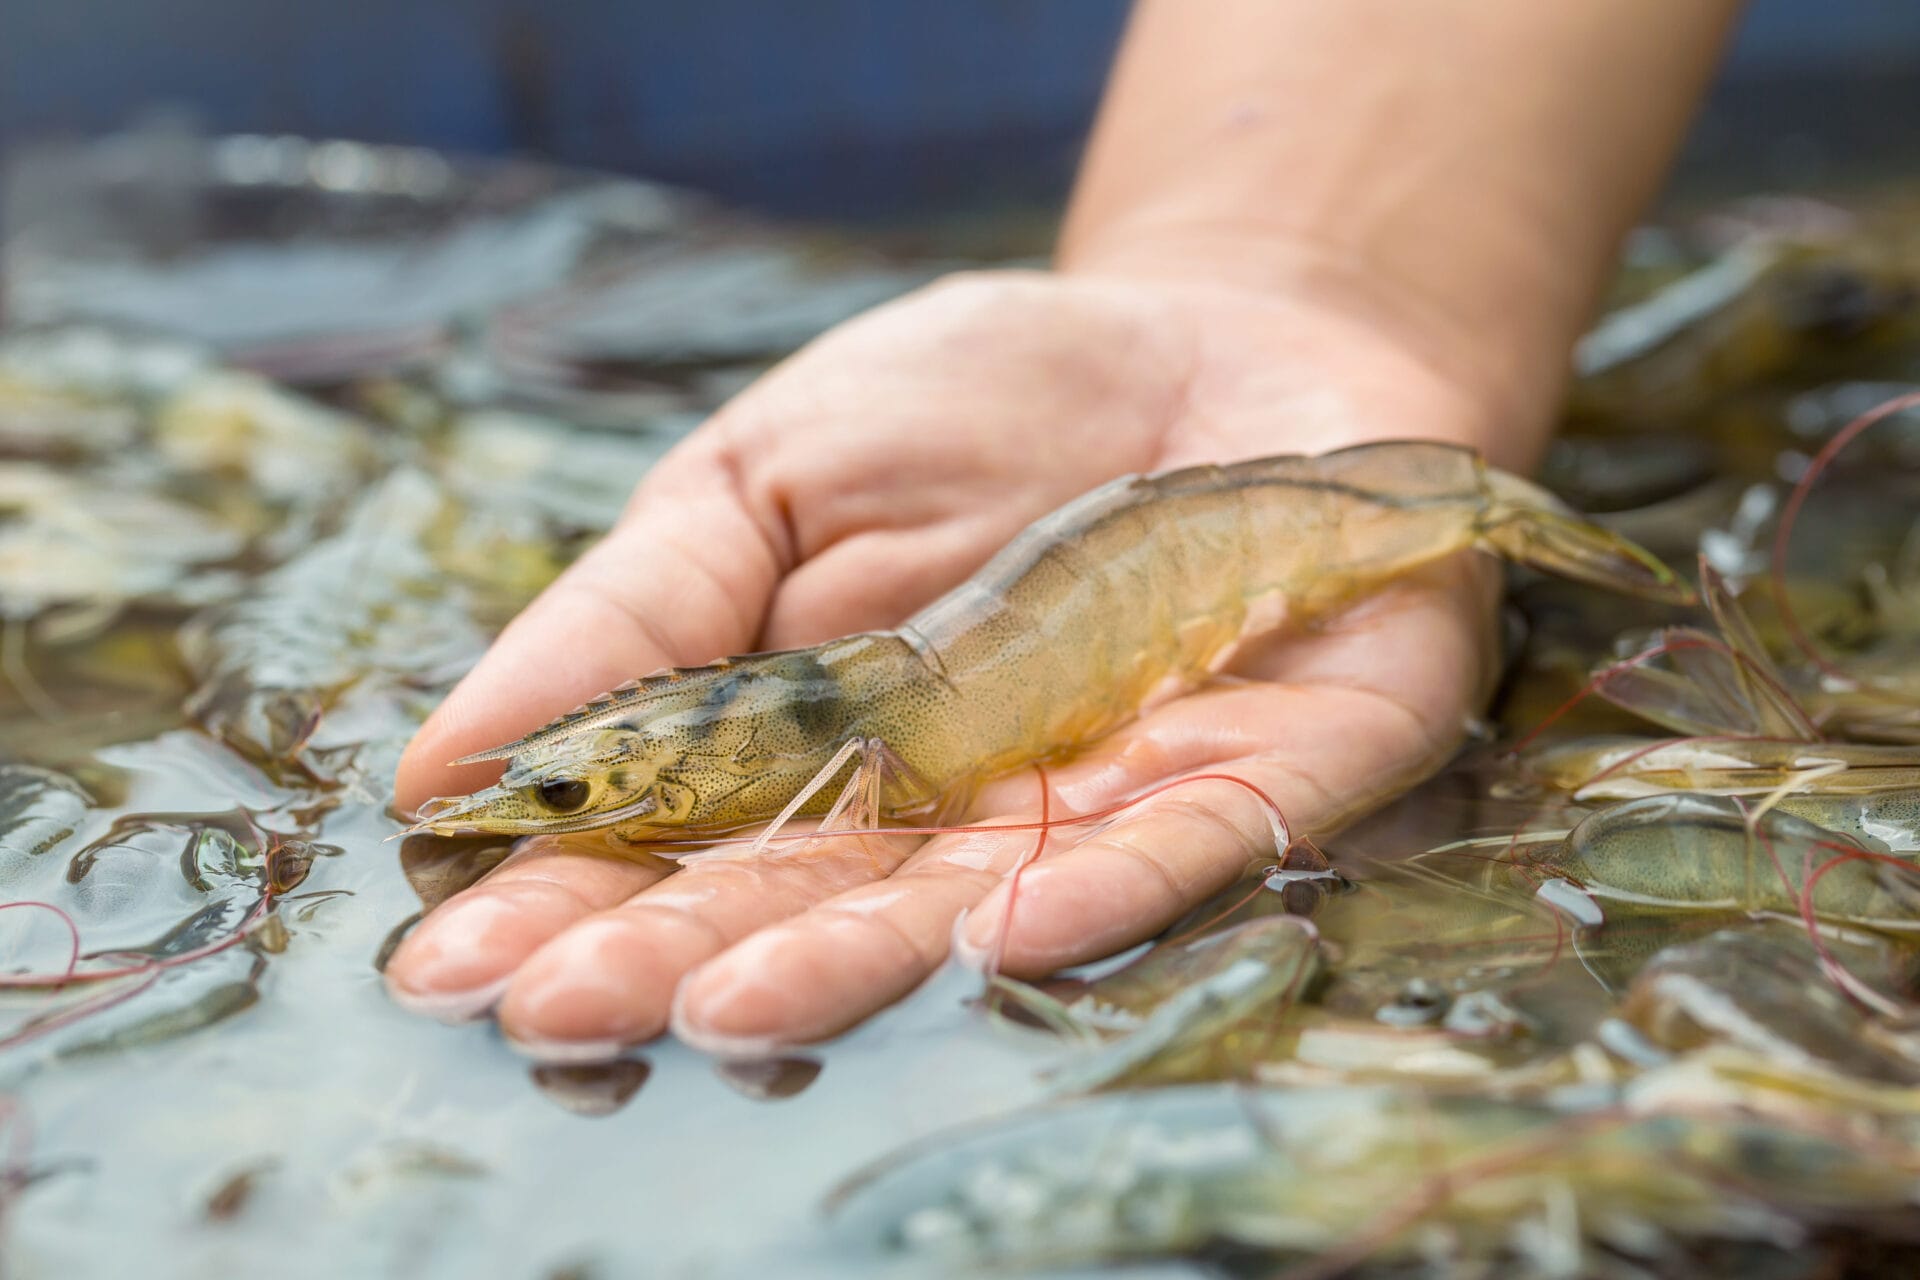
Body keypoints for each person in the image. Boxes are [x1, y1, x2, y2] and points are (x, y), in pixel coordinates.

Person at [383, 0, 1743, 1058]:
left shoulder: (841, 735)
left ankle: (1469, 511)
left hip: (1173, 555)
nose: (543, 809)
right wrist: (1323, 282)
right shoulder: (777, 715)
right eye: (564, 792)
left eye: (564, 792)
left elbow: (854, 759)